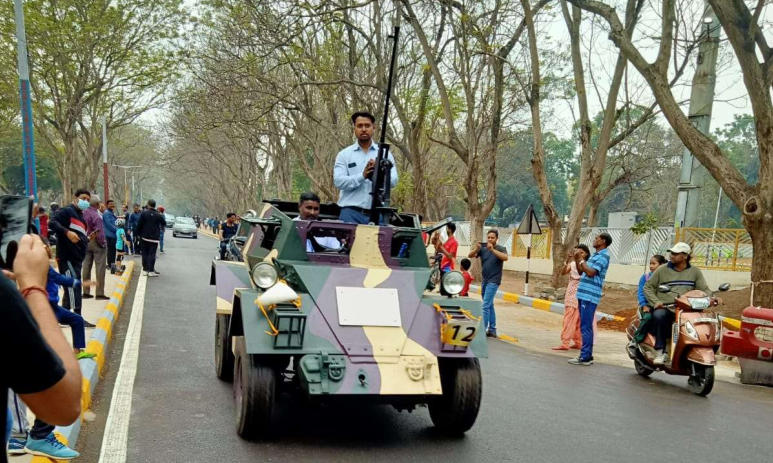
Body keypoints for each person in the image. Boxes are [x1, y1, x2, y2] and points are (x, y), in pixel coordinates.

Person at [1, 234, 82, 459]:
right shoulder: (9, 291)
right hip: (42, 308)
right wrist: (33, 289)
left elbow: (63, 280)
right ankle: (24, 438)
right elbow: (65, 407)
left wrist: (79, 282)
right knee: (20, 391)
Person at [643, 243, 711, 365]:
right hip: (667, 307)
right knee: (659, 316)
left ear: (685, 256)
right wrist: (656, 302)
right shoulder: (662, 269)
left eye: (675, 254)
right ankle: (660, 351)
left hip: (688, 309)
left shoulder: (695, 272)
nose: (671, 256)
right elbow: (648, 288)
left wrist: (713, 298)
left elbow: (703, 289)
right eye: (671, 253)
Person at [333, 111, 398, 224]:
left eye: (367, 126)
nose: (363, 129)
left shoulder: (385, 153)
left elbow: (393, 181)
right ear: (354, 128)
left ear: (374, 128)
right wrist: (363, 176)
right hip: (350, 213)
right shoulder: (344, 154)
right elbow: (338, 181)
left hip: (378, 214)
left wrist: (379, 175)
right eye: (359, 126)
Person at [569, 233, 612, 366]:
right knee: (585, 325)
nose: (594, 240)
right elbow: (582, 271)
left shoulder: (604, 255)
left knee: (586, 326)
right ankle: (587, 354)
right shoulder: (595, 255)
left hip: (590, 295)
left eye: (596, 238)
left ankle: (585, 356)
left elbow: (591, 272)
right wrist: (578, 259)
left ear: (603, 241)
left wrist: (581, 260)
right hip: (583, 294)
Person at [48, 188, 90, 321]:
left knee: (71, 287)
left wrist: (87, 238)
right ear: (75, 197)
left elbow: (78, 236)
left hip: (77, 258)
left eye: (88, 200)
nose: (86, 201)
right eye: (83, 198)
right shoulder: (67, 211)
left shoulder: (81, 217)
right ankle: (77, 316)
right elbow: (52, 223)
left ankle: (64, 316)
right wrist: (67, 232)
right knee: (74, 286)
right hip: (67, 257)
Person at [469, 229, 508, 338]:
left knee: (485, 305)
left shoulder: (500, 248)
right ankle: (492, 329)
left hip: (494, 280)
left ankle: (482, 329)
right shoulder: (483, 248)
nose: (490, 239)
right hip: (485, 280)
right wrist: (476, 249)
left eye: (492, 237)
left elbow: (505, 258)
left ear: (497, 238)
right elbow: (470, 255)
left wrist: (492, 250)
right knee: (489, 304)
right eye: (489, 237)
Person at [553, 244, 590, 351]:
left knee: (571, 319)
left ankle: (565, 342)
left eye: (581, 252)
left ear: (586, 254)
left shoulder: (586, 265)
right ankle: (578, 342)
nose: (578, 254)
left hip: (579, 293)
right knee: (575, 318)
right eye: (577, 252)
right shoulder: (573, 264)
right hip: (571, 292)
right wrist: (567, 260)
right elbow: (563, 272)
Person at [630, 254, 668, 348]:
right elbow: (641, 292)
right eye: (650, 263)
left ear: (662, 265)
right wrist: (644, 305)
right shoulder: (646, 277)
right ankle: (636, 340)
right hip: (648, 305)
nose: (651, 266)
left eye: (654, 264)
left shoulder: (666, 278)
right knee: (647, 318)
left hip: (663, 306)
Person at [82, 197, 108, 301]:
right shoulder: (97, 216)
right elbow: (99, 233)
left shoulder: (83, 213)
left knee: (86, 267)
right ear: (97, 204)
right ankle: (100, 293)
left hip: (85, 240)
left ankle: (86, 292)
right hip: (96, 241)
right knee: (100, 268)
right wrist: (103, 243)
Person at [135, 199, 166, 277]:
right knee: (152, 254)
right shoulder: (158, 214)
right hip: (154, 238)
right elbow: (164, 223)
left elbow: (139, 225)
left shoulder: (144, 213)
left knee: (145, 253)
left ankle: (145, 270)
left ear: (148, 205)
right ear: (154, 205)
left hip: (144, 237)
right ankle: (151, 271)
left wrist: (137, 234)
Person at [103, 200, 118, 274]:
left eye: (113, 204)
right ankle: (110, 264)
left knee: (113, 250)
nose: (112, 205)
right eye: (110, 204)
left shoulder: (111, 213)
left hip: (113, 235)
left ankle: (112, 263)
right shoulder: (106, 213)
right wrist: (116, 230)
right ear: (107, 205)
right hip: (110, 235)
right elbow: (109, 224)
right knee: (111, 251)